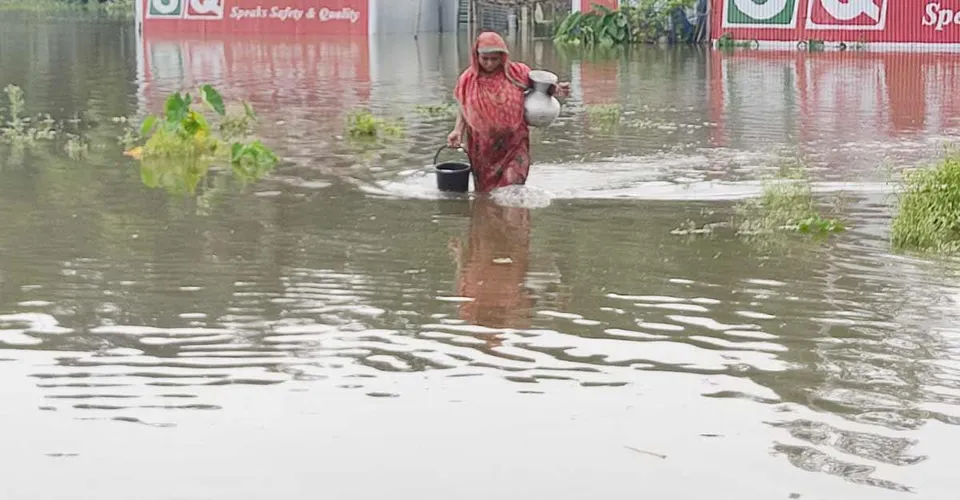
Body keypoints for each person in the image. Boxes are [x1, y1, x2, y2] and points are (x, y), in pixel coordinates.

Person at [447, 31, 569, 193]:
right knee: (487, 195)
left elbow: (541, 89)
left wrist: (556, 89)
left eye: (494, 59)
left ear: (503, 57)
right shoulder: (468, 79)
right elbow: (464, 106)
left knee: (513, 187)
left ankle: (515, 218)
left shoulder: (517, 72)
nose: (489, 64)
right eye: (485, 59)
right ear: (476, 56)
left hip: (514, 143)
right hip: (483, 147)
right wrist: (457, 130)